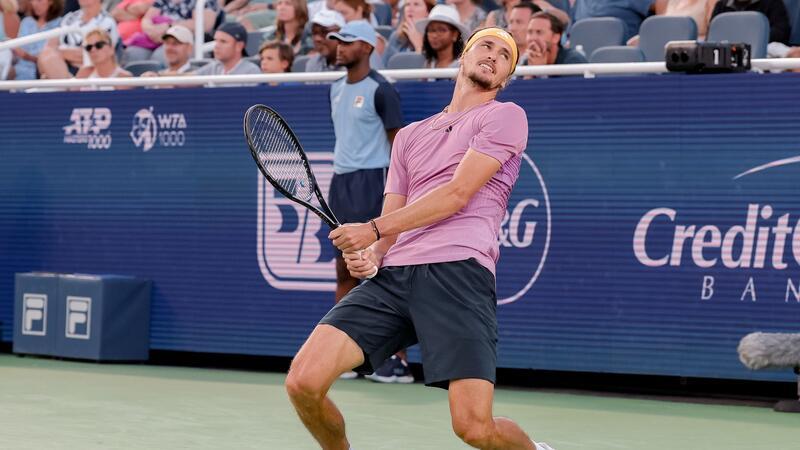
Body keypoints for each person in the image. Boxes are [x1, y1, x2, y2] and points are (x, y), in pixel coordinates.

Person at [285, 25, 558, 450]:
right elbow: (392, 220)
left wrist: (373, 229)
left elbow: (456, 194)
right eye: (484, 47)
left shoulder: (504, 116)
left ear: (504, 78)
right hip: (394, 279)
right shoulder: (410, 137)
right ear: (462, 58)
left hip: (459, 273)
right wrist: (372, 255)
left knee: (474, 427)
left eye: (504, 56)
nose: (492, 56)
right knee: (303, 382)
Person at [324, 20, 405, 381]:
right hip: (341, 184)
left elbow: (400, 148)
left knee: (380, 269)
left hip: (373, 182)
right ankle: (343, 353)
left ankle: (396, 360)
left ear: (368, 47)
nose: (339, 47)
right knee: (344, 269)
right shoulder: (335, 89)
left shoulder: (382, 90)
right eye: (336, 41)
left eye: (347, 41)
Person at [37, 0, 118, 79]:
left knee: (49, 58)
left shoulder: (107, 21)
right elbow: (49, 47)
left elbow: (96, 53)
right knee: (46, 55)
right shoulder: (69, 18)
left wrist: (60, 53)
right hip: (62, 67)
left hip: (89, 72)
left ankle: (68, 88)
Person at [12, 0, 62, 80]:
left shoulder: (61, 24)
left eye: (39, 0)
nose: (34, 3)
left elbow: (53, 58)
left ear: (51, 2)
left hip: (42, 74)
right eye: (32, 0)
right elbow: (17, 55)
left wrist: (27, 56)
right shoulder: (26, 22)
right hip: (18, 72)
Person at [194, 21, 261, 76]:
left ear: (239, 46)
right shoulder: (214, 67)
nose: (217, 46)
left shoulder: (251, 71)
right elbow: (187, 80)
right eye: (216, 41)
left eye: (223, 41)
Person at [709, 0, 790, 44]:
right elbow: (712, 35)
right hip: (727, 49)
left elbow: (781, 31)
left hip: (766, 47)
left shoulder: (772, 2)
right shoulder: (721, 6)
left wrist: (752, 38)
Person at [382, 0, 435, 65]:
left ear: (428, 11)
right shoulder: (396, 37)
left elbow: (430, 70)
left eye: (416, 4)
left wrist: (419, 46)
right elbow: (384, 67)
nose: (410, 9)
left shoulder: (434, 38)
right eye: (407, 5)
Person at [418, 4, 468, 68]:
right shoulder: (427, 65)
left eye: (441, 30)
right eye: (431, 30)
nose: (434, 35)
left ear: (455, 34)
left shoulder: (462, 66)